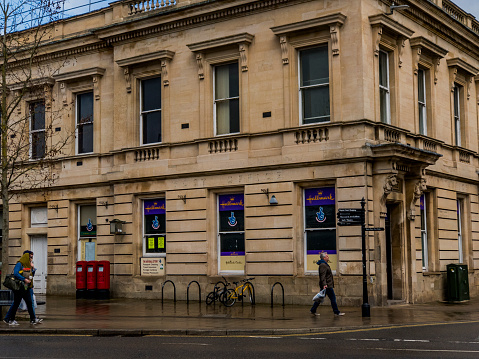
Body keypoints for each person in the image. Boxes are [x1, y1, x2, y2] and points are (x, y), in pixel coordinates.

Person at [3, 250, 42, 325]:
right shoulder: (19, 264)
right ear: (26, 257)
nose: (31, 259)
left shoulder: (28, 265)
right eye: (30, 257)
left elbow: (31, 276)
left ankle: (33, 319)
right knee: (16, 303)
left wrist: (33, 269)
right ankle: (10, 319)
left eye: (32, 257)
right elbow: (16, 273)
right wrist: (24, 279)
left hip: (26, 287)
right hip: (19, 287)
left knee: (30, 303)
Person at [310, 252, 345, 316]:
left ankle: (313, 310)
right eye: (327, 256)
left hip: (326, 285)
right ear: (324, 258)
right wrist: (324, 285)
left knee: (320, 298)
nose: (328, 257)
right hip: (327, 285)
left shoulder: (324, 264)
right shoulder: (323, 265)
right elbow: (322, 276)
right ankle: (336, 312)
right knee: (333, 298)